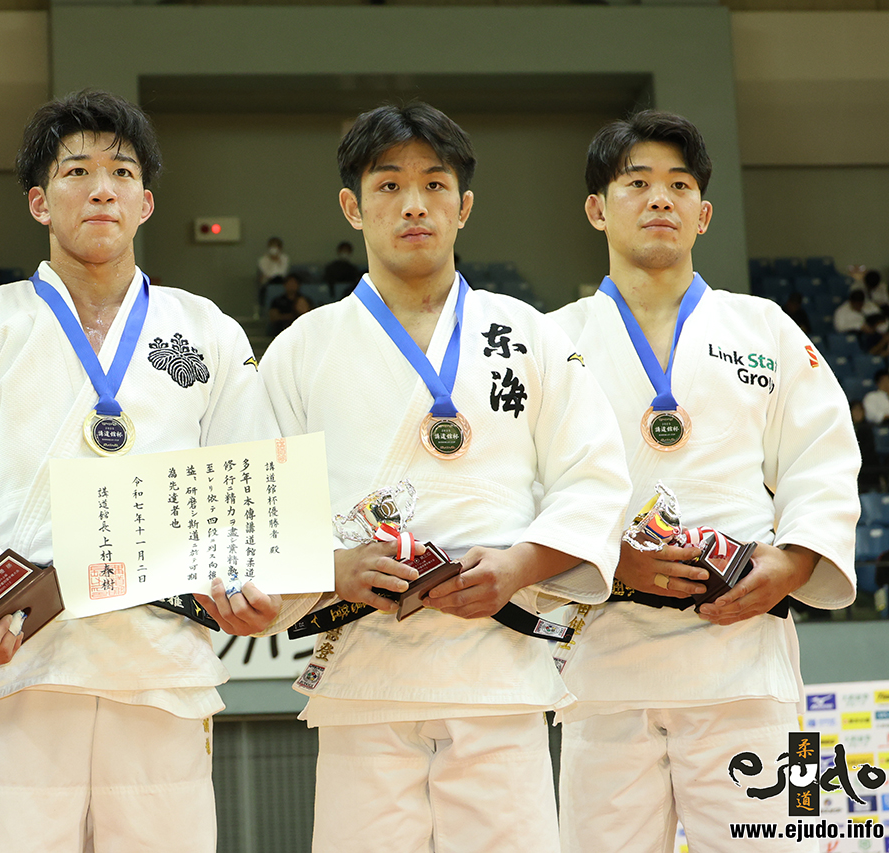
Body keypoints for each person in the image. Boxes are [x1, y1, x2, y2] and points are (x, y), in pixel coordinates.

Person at [0, 90, 282, 853]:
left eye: (122, 172)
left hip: (163, 665)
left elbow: (245, 493)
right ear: (38, 201)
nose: (101, 188)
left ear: (147, 202)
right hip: (24, 661)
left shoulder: (207, 333)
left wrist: (256, 589)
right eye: (77, 171)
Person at [258, 102, 632, 853]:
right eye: (388, 185)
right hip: (365, 676)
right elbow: (257, 507)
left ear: (463, 206)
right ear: (352, 207)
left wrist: (521, 563)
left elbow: (595, 477)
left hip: (499, 673)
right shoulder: (303, 348)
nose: (413, 204)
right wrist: (332, 565)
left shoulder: (527, 333)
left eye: (434, 184)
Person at [549, 110, 859, 853]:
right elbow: (526, 487)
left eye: (679, 185)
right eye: (637, 183)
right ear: (597, 208)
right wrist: (603, 558)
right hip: (601, 660)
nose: (660, 198)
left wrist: (792, 561)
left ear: (704, 213)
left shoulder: (768, 329)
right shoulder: (549, 340)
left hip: (747, 658)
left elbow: (823, 459)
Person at [266, 272, 312, 337]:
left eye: (294, 283)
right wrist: (290, 316)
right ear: (285, 285)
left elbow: (308, 315)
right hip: (281, 329)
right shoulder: (277, 300)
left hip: (300, 330)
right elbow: (274, 317)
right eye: (289, 283)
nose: (292, 285)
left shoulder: (304, 300)